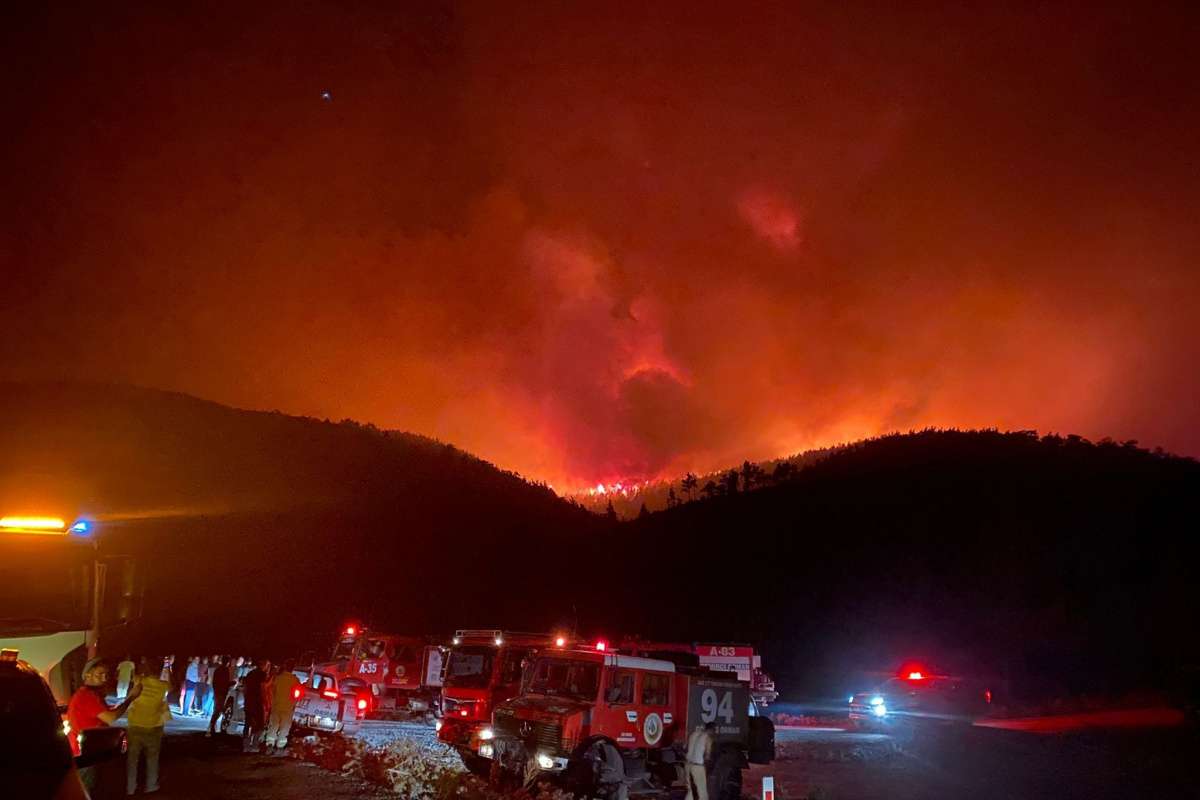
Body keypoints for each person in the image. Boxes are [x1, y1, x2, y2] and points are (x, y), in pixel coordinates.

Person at [67, 658, 142, 793]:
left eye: (106, 675)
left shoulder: (89, 694)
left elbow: (103, 713)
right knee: (85, 790)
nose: (104, 678)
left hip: (87, 749)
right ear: (87, 675)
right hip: (85, 752)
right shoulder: (87, 696)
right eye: (99, 674)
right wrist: (131, 698)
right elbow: (111, 717)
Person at [126, 657, 171, 795]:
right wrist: (167, 668)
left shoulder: (139, 680)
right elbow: (172, 686)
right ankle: (151, 785)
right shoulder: (163, 686)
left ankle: (130, 788)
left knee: (132, 759)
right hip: (154, 726)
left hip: (135, 724)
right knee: (152, 758)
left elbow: (133, 674)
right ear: (160, 670)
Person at [264, 660, 301, 753]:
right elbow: (298, 694)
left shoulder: (278, 678)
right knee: (285, 727)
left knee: (273, 725)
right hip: (288, 707)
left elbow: (271, 690)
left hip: (276, 706)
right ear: (292, 668)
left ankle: (269, 744)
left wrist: (271, 702)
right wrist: (294, 703)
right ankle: (280, 746)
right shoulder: (295, 680)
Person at [241, 660, 269, 752]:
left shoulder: (250, 673)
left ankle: (245, 745)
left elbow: (245, 687)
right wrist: (265, 701)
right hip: (257, 702)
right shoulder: (262, 675)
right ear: (264, 665)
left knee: (247, 723)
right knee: (260, 724)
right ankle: (254, 744)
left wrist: (245, 699)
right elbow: (263, 688)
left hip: (248, 701)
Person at [683, 722, 714, 800]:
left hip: (687, 765)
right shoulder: (708, 738)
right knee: (702, 792)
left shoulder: (693, 734)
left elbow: (685, 748)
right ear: (712, 730)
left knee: (690, 791)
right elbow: (707, 756)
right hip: (697, 767)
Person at [208, 656, 233, 737]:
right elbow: (225, 683)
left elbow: (215, 682)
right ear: (227, 662)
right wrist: (231, 683)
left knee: (217, 709)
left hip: (217, 692)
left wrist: (215, 690)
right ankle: (212, 727)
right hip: (221, 693)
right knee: (218, 710)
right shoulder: (225, 670)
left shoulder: (218, 669)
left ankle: (212, 726)